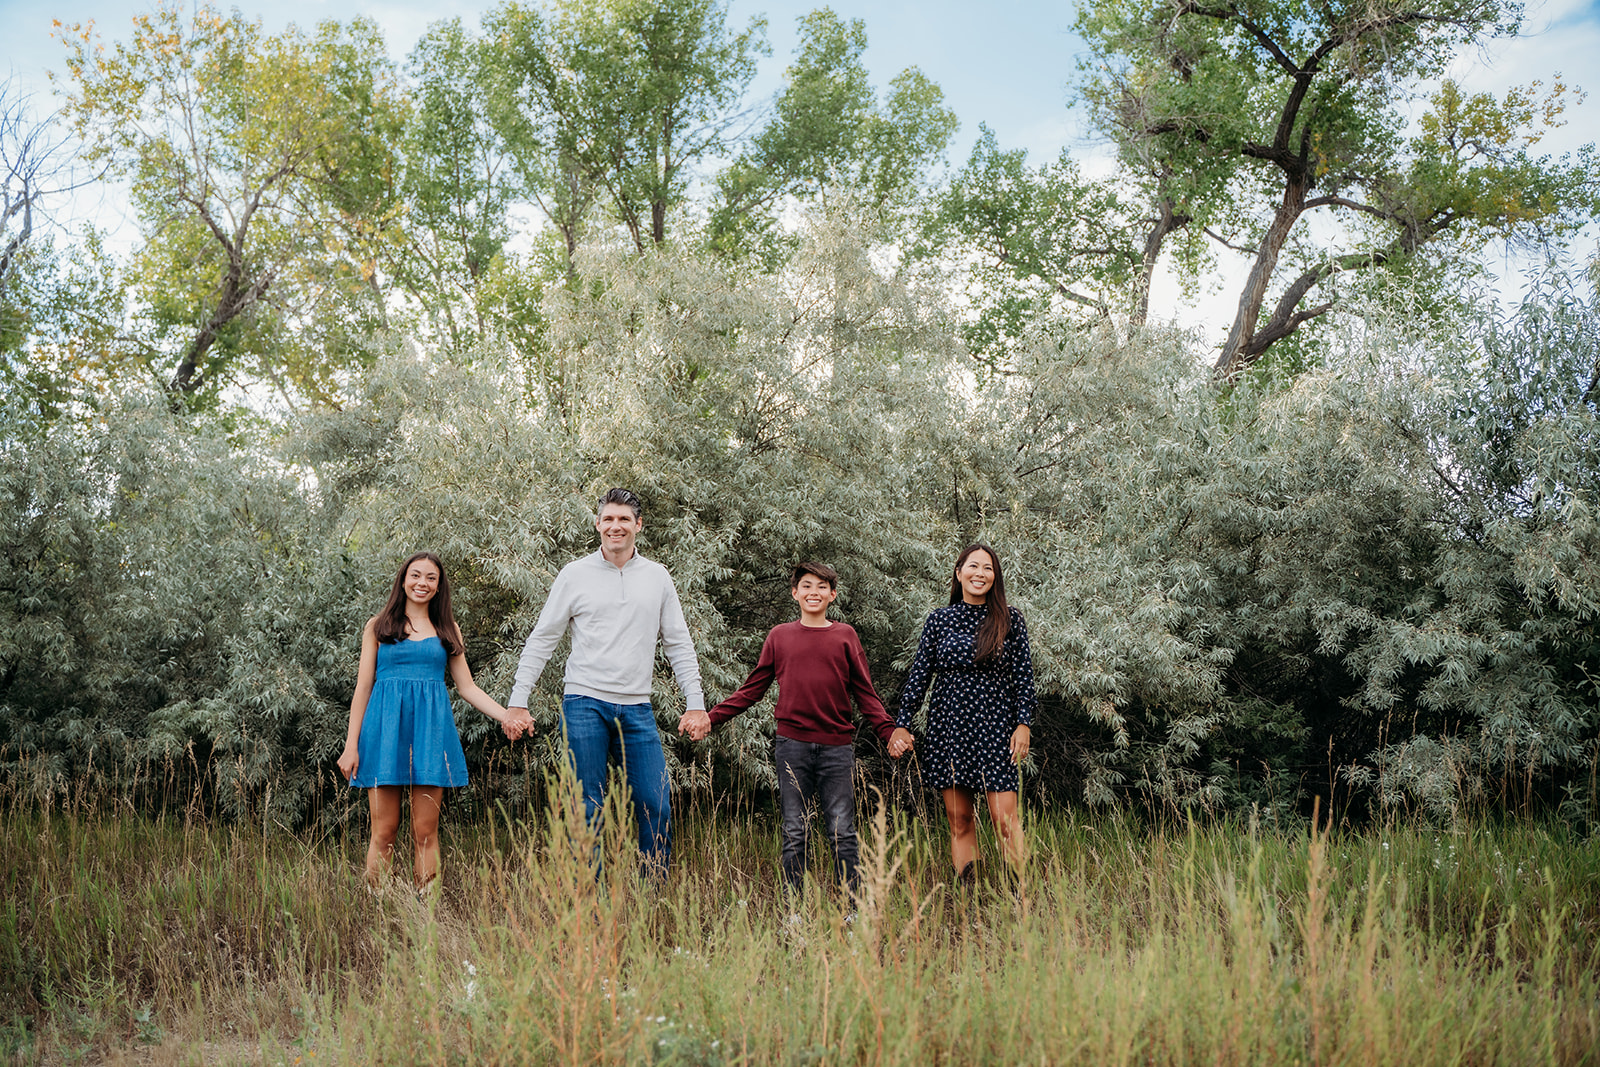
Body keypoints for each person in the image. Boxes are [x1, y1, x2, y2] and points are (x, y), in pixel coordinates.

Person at [681, 562, 915, 896]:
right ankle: (795, 907)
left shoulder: (845, 636)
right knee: (795, 829)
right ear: (795, 593)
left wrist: (889, 730)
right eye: (806, 586)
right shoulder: (780, 636)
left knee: (842, 830)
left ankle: (852, 909)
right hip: (792, 746)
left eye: (822, 586)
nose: (814, 592)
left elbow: (865, 693)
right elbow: (752, 690)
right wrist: (711, 717)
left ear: (833, 595)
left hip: (836, 748)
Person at [506, 488, 706, 871]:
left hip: (637, 708)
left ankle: (652, 895)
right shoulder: (574, 575)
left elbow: (678, 643)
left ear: (638, 526)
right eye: (609, 519)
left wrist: (695, 704)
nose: (616, 526)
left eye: (624, 519)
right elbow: (543, 639)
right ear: (597, 524)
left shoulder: (657, 577)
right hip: (584, 703)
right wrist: (519, 700)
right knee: (587, 808)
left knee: (655, 803)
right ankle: (590, 907)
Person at [338, 551, 530, 889]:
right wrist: (351, 746)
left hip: (430, 734)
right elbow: (363, 688)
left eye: (431, 578)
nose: (422, 583)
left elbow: (467, 687)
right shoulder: (378, 626)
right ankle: (379, 910)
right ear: (403, 580)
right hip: (383, 734)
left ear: (439, 587)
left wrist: (506, 715)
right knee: (384, 831)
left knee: (425, 831)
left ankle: (426, 911)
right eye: (416, 575)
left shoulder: (447, 629)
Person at [894, 543, 1037, 881]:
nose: (980, 574)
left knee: (1004, 818)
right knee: (958, 818)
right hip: (949, 727)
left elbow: (1024, 677)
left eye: (988, 569)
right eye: (973, 567)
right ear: (958, 574)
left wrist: (1023, 723)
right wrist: (902, 724)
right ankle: (967, 893)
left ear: (995, 577)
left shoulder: (1009, 619)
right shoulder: (939, 620)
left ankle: (1020, 896)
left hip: (996, 728)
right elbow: (919, 676)